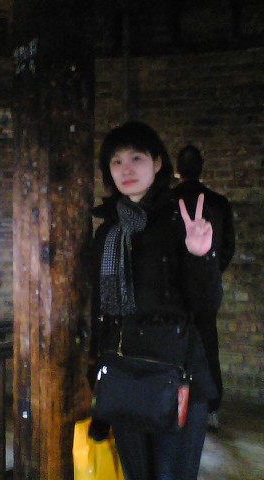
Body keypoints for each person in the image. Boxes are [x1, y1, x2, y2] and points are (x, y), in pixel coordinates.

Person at [87, 121, 221, 480]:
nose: (126, 169)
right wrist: (94, 366)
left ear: (157, 163)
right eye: (116, 162)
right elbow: (100, 308)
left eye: (136, 158)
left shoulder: (182, 221)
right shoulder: (109, 231)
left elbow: (206, 305)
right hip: (124, 373)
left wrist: (200, 255)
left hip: (175, 374)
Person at [172, 145, 235, 431]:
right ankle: (211, 407)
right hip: (207, 288)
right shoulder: (219, 203)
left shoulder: (167, 201)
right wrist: (210, 272)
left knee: (172, 346)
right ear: (201, 168)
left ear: (177, 170)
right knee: (208, 344)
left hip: (173, 287)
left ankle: (173, 407)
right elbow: (228, 247)